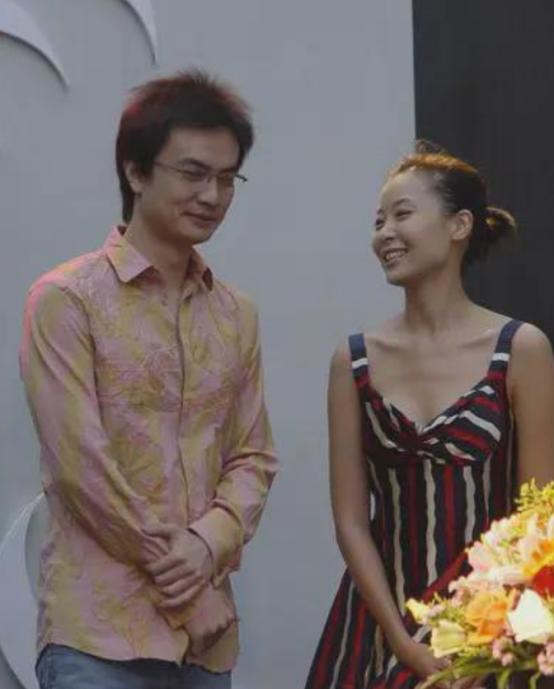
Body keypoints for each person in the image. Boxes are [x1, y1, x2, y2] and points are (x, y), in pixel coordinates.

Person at [19, 69, 278, 689]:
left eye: (227, 178)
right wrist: (189, 595)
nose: (212, 195)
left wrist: (209, 543)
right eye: (193, 173)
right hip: (98, 639)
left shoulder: (235, 313)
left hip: (206, 648)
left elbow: (253, 456)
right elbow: (83, 470)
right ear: (135, 173)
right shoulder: (67, 299)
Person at [304, 142, 554, 689]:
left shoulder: (520, 348)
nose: (385, 234)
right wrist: (401, 640)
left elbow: (536, 517)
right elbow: (351, 521)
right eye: (378, 222)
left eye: (402, 214)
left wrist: (480, 641)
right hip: (376, 623)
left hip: (493, 628)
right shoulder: (352, 360)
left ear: (459, 225)